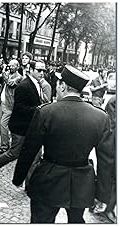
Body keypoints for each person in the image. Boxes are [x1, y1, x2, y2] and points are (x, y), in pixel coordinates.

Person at [12, 65, 114, 223]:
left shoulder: (45, 112)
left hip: (48, 180)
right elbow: (107, 160)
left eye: (58, 85)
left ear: (63, 86)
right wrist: (102, 195)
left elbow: (29, 149)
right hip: (81, 183)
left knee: (41, 221)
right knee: (76, 221)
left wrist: (19, 178)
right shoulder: (100, 117)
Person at [0, 60, 44, 181]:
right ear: (31, 70)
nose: (42, 73)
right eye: (39, 70)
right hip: (20, 127)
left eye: (43, 70)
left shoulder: (37, 83)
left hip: (32, 126)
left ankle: (29, 185)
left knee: (35, 155)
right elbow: (19, 107)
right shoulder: (24, 85)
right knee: (14, 153)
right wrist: (38, 109)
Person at [0, 59, 24, 154]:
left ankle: (5, 145)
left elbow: (10, 83)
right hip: (1, 103)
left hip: (9, 105)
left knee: (3, 124)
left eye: (13, 65)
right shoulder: (8, 74)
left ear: (17, 67)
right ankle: (4, 142)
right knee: (1, 125)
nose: (10, 67)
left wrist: (3, 72)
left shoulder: (19, 77)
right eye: (10, 65)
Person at [101, 95, 116, 223]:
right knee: (109, 177)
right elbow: (112, 127)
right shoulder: (114, 101)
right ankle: (107, 208)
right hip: (113, 146)